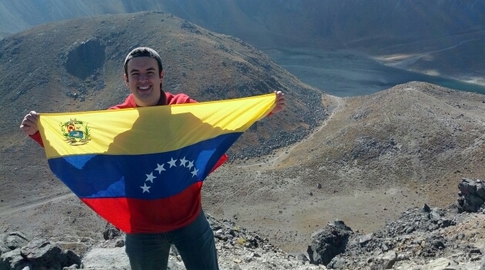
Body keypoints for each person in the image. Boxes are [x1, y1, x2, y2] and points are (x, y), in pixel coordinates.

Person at [20, 46, 286, 270]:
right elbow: (86, 155)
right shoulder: (116, 120)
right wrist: (40, 133)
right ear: (126, 80)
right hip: (144, 230)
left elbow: (221, 122)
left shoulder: (182, 107)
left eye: (149, 72)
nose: (143, 79)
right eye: (135, 74)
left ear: (161, 76)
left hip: (191, 221)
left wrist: (263, 110)